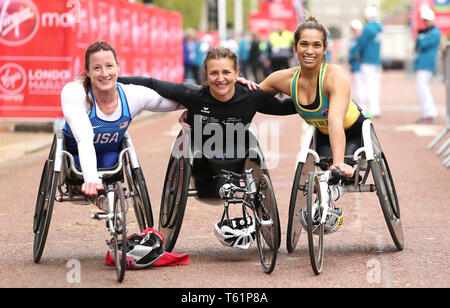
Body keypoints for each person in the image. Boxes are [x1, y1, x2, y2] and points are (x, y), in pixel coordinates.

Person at [118, 46, 297, 196]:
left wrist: (317, 100)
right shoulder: (192, 94)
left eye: (226, 72)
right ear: (206, 74)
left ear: (236, 74)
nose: (220, 79)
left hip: (238, 156)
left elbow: (283, 107)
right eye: (214, 73)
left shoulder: (251, 96)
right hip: (202, 161)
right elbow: (152, 83)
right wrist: (112, 82)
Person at [61, 40, 184, 197]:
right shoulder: (74, 93)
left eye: (109, 66)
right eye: (97, 68)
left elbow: (167, 102)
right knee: (85, 149)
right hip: (75, 157)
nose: (105, 73)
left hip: (111, 158)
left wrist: (194, 107)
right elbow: (84, 138)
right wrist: (91, 179)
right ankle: (98, 193)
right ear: (88, 71)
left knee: (112, 159)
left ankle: (106, 199)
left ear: (118, 66)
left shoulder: (131, 95)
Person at [258, 14, 367, 179]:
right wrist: (238, 85)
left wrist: (338, 163)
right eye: (304, 44)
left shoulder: (334, 77)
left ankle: (352, 164)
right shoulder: (284, 79)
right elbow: (253, 96)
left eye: (316, 45)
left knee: (342, 175)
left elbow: (335, 123)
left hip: (353, 132)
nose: (309, 51)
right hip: (323, 135)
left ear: (324, 49)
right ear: (295, 47)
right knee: (324, 178)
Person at [413, 8, 441, 124]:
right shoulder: (425, 32)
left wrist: (420, 38)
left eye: (427, 20)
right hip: (421, 63)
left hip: (427, 64)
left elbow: (423, 44)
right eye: (424, 20)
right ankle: (428, 112)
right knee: (421, 88)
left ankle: (430, 113)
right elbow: (416, 47)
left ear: (432, 20)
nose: (425, 22)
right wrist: (420, 37)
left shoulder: (434, 32)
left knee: (423, 88)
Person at [356, 6, 383, 118]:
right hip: (377, 61)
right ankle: (375, 109)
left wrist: (358, 54)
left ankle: (371, 109)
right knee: (375, 86)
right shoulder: (379, 27)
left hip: (367, 61)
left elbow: (361, 43)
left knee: (367, 86)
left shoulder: (368, 28)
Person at [348, 19, 364, 109]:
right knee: (358, 88)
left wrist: (351, 58)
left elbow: (357, 54)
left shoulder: (359, 39)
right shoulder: (355, 39)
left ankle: (363, 107)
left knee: (360, 88)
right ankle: (362, 106)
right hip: (355, 66)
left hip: (359, 66)